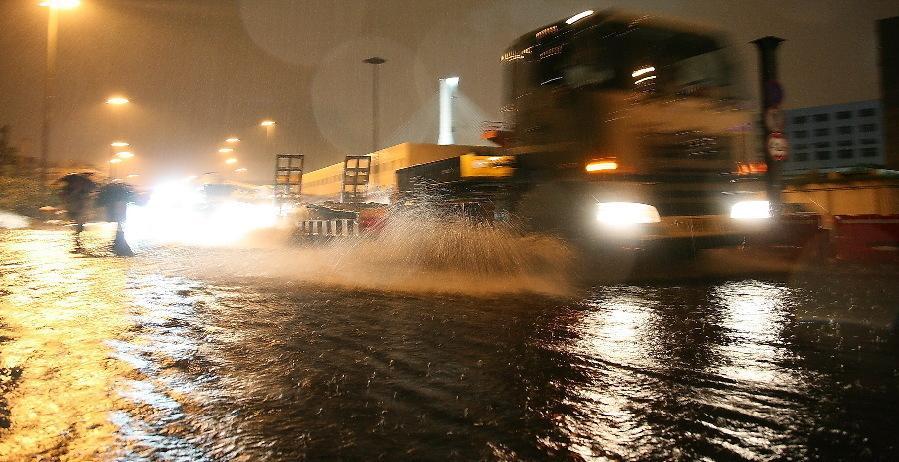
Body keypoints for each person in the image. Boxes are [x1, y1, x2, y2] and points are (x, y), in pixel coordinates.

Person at [56, 172, 97, 252]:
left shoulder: (70, 186)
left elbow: (63, 195)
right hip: (78, 207)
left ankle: (77, 240)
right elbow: (91, 190)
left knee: (78, 224)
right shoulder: (83, 185)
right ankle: (77, 241)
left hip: (73, 207)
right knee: (79, 224)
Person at [96, 180, 136, 256]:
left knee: (119, 231)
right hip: (119, 226)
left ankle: (119, 248)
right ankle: (120, 249)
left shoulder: (116, 202)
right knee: (119, 232)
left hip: (118, 225)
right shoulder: (120, 201)